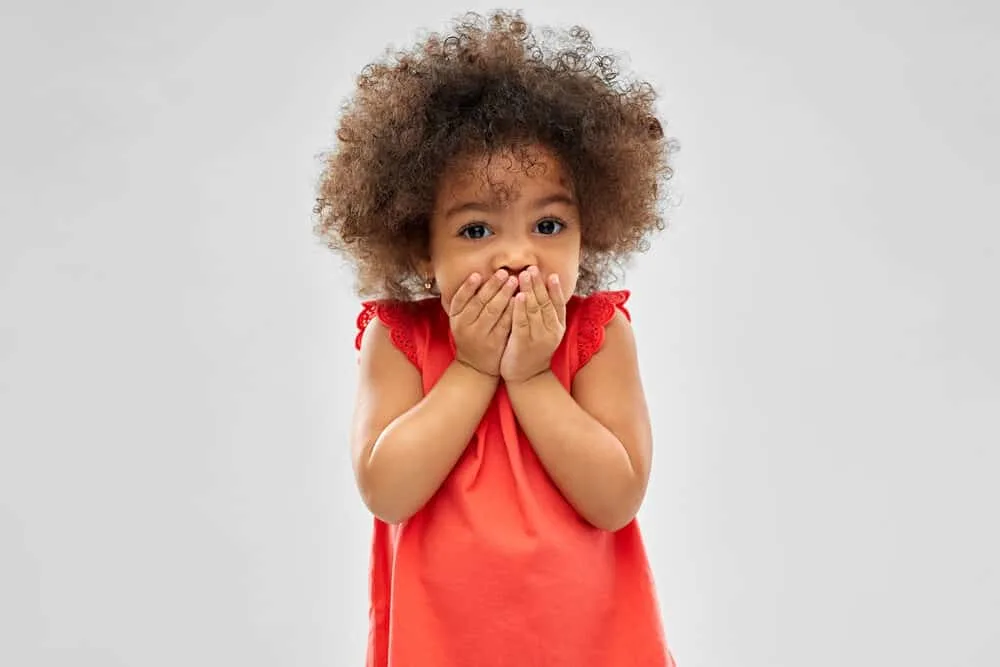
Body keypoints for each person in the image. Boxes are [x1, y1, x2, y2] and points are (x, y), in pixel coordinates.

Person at [313, 9, 679, 666]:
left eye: (547, 227)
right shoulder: (399, 339)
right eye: (477, 230)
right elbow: (388, 490)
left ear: (587, 231)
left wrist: (533, 376)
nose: (516, 255)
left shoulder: (597, 333)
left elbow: (616, 498)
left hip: (589, 645)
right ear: (421, 248)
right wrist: (474, 369)